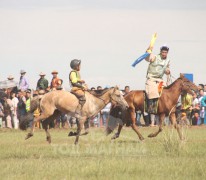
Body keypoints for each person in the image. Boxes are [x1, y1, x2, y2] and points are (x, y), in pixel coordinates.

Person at [145, 45, 170, 114]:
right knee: (152, 92)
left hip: (160, 80)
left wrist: (167, 71)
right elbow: (147, 58)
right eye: (163, 52)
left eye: (165, 52)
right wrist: (148, 50)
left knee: (166, 91)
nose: (164, 54)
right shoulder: (154, 57)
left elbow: (166, 69)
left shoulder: (168, 60)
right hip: (151, 78)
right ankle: (150, 107)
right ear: (160, 52)